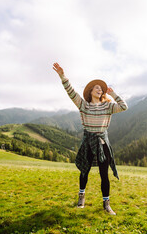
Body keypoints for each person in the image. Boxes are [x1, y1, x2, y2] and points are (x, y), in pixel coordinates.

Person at [53, 62, 128, 215]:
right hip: (88, 141)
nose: (99, 89)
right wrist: (62, 75)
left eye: (101, 89)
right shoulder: (83, 105)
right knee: (84, 171)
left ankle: (106, 204)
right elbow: (71, 92)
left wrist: (112, 94)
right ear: (91, 91)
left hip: (102, 141)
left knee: (103, 174)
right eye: (97, 88)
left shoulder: (108, 106)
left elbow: (124, 106)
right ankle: (81, 197)